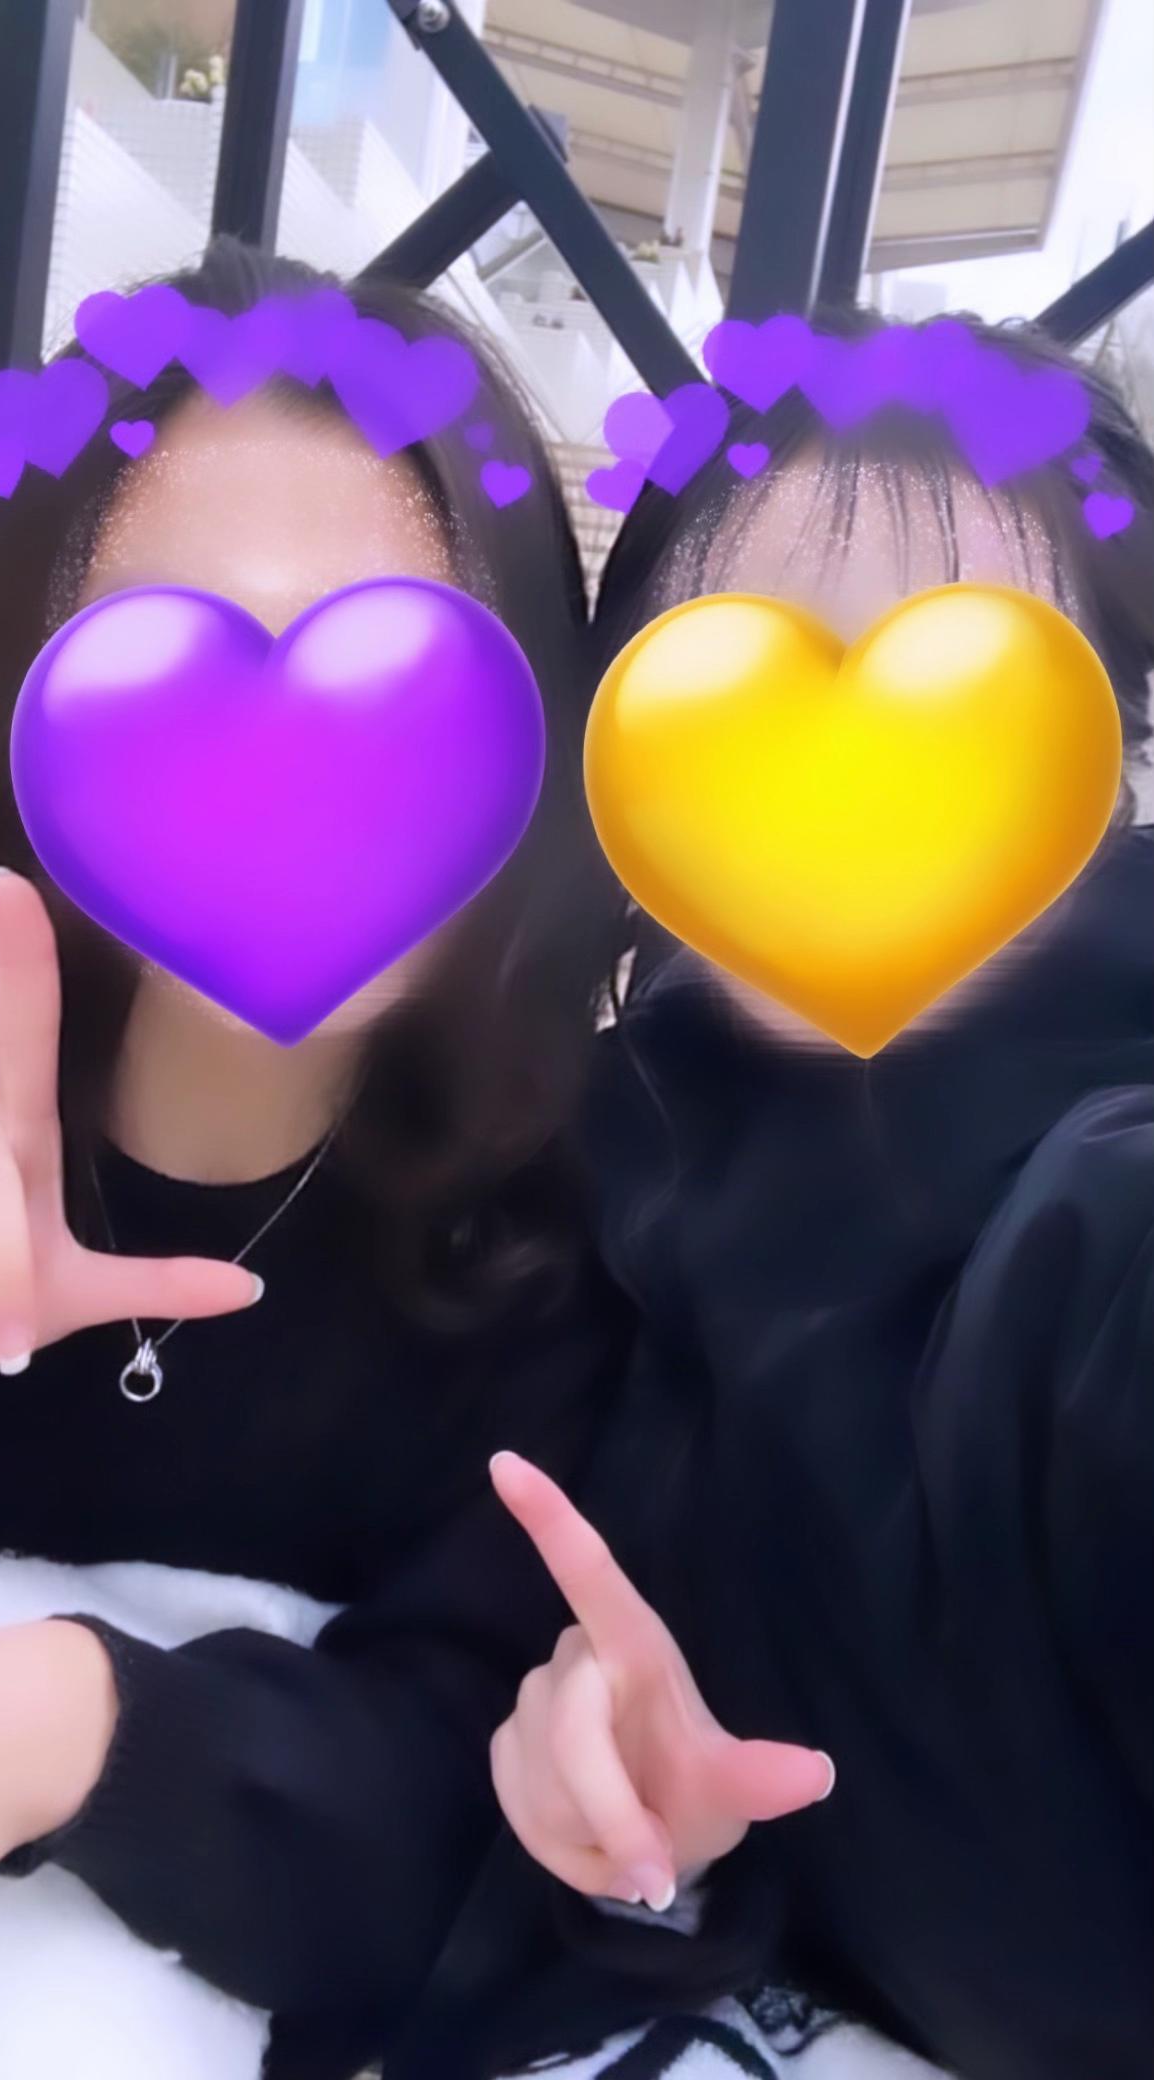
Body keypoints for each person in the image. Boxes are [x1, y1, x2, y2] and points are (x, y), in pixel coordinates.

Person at [386, 311, 1154, 2080]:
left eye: (972, 696)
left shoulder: (1097, 1237)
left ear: (1109, 757)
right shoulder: (601, 1178)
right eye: (735, 688)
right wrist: (621, 1834)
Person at [0, 233, 649, 2080]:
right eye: (159, 677)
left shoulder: (579, 1243)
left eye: (403, 690)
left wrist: (76, 1723)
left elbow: (456, 1838)